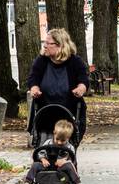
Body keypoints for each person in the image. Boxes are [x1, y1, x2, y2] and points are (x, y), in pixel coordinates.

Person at [28, 27, 90, 156]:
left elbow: (83, 80)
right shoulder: (41, 61)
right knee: (43, 146)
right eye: (44, 42)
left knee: (67, 149)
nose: (45, 46)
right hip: (45, 112)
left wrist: (80, 89)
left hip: (69, 113)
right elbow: (33, 78)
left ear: (60, 45)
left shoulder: (75, 62)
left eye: (48, 43)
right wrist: (34, 89)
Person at [25, 119, 80, 184]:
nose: (59, 142)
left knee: (69, 165)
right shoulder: (48, 143)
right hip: (47, 166)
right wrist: (43, 159)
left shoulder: (69, 147)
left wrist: (65, 161)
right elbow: (41, 152)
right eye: (57, 139)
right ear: (54, 133)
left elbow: (72, 158)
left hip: (61, 169)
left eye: (63, 140)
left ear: (68, 138)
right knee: (35, 165)